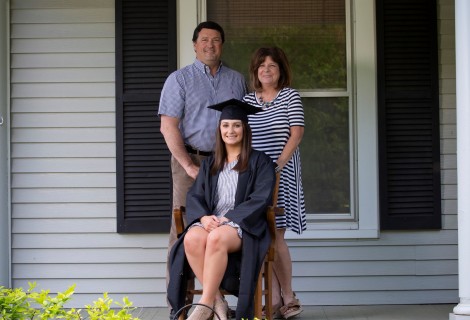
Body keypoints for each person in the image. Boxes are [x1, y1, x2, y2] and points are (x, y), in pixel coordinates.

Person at [158, 21, 247, 316]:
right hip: (191, 161)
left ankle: (212, 299)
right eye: (204, 40)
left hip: (229, 161)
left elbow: (244, 125)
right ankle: (179, 305)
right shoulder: (179, 79)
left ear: (223, 45)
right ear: (195, 45)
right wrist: (187, 165)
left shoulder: (236, 80)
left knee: (224, 226)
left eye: (216, 40)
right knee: (184, 228)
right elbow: (168, 126)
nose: (210, 45)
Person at [167, 99, 276, 320]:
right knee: (191, 239)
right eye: (226, 125)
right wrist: (204, 217)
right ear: (220, 129)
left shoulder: (260, 162)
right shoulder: (210, 163)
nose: (231, 131)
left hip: (244, 225)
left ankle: (204, 304)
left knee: (216, 238)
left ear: (245, 129)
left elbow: (260, 199)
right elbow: (195, 194)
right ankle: (218, 302)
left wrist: (229, 218)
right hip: (212, 221)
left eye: (236, 125)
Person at [244, 47, 306, 319]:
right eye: (261, 65)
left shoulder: (290, 96)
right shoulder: (247, 100)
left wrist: (276, 165)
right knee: (261, 234)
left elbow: (296, 134)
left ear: (281, 69)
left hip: (281, 172)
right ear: (255, 70)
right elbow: (241, 138)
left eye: (272, 65)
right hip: (254, 177)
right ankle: (277, 298)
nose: (266, 69)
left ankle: (289, 295)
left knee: (276, 232)